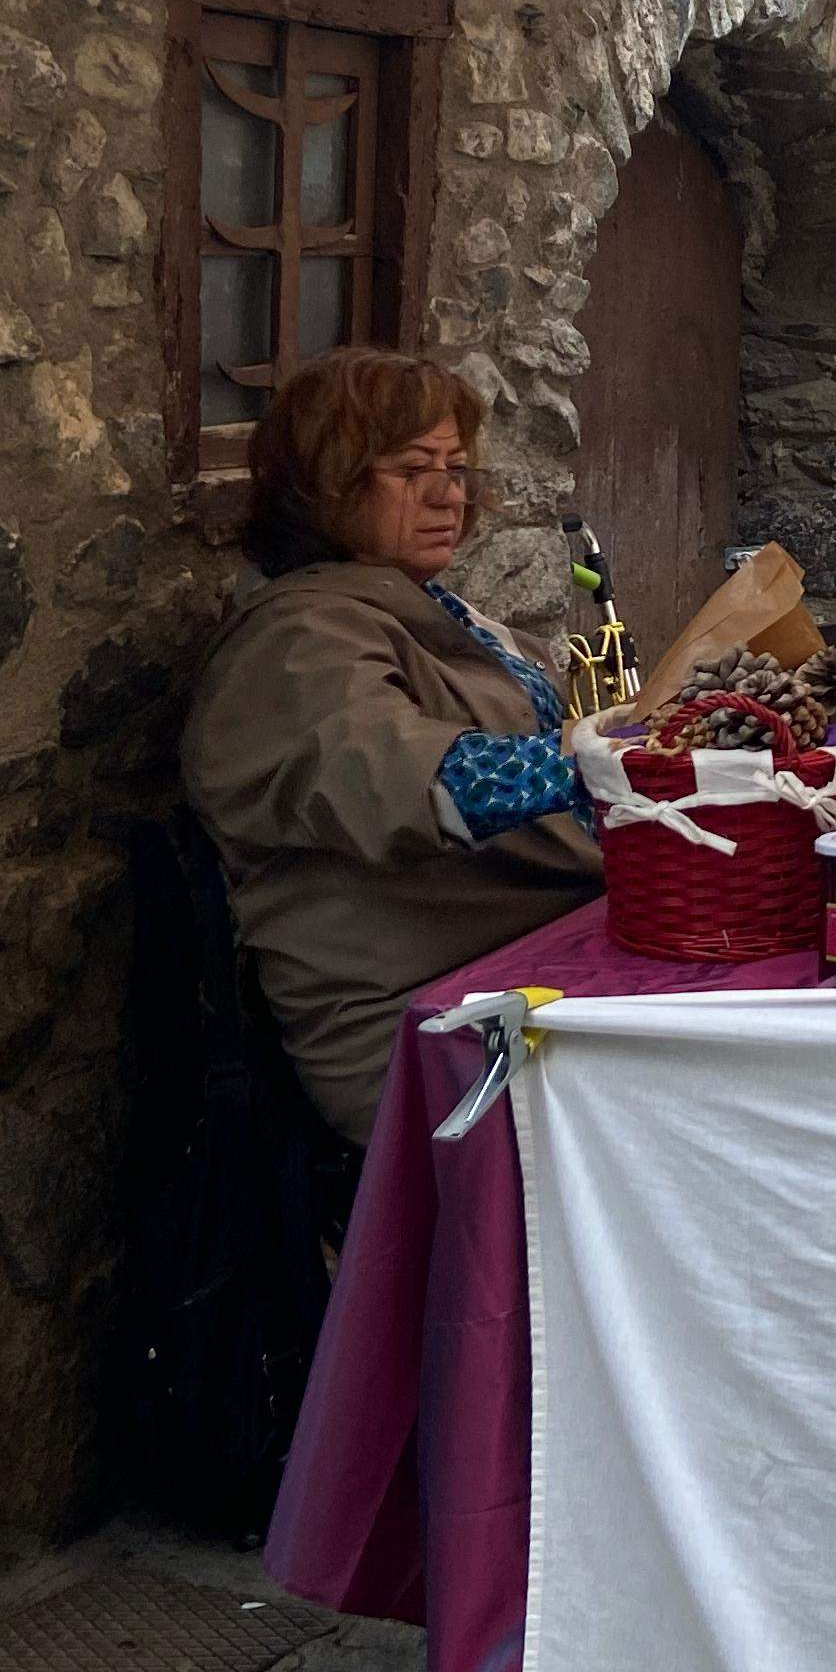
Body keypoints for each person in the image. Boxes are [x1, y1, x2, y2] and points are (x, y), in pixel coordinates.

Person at [180, 348, 605, 1142]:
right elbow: (403, 776)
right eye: (413, 470)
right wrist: (598, 763)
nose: (450, 494)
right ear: (329, 483)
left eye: (456, 467)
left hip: (534, 963)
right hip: (420, 1025)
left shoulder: (423, 607)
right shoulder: (294, 641)